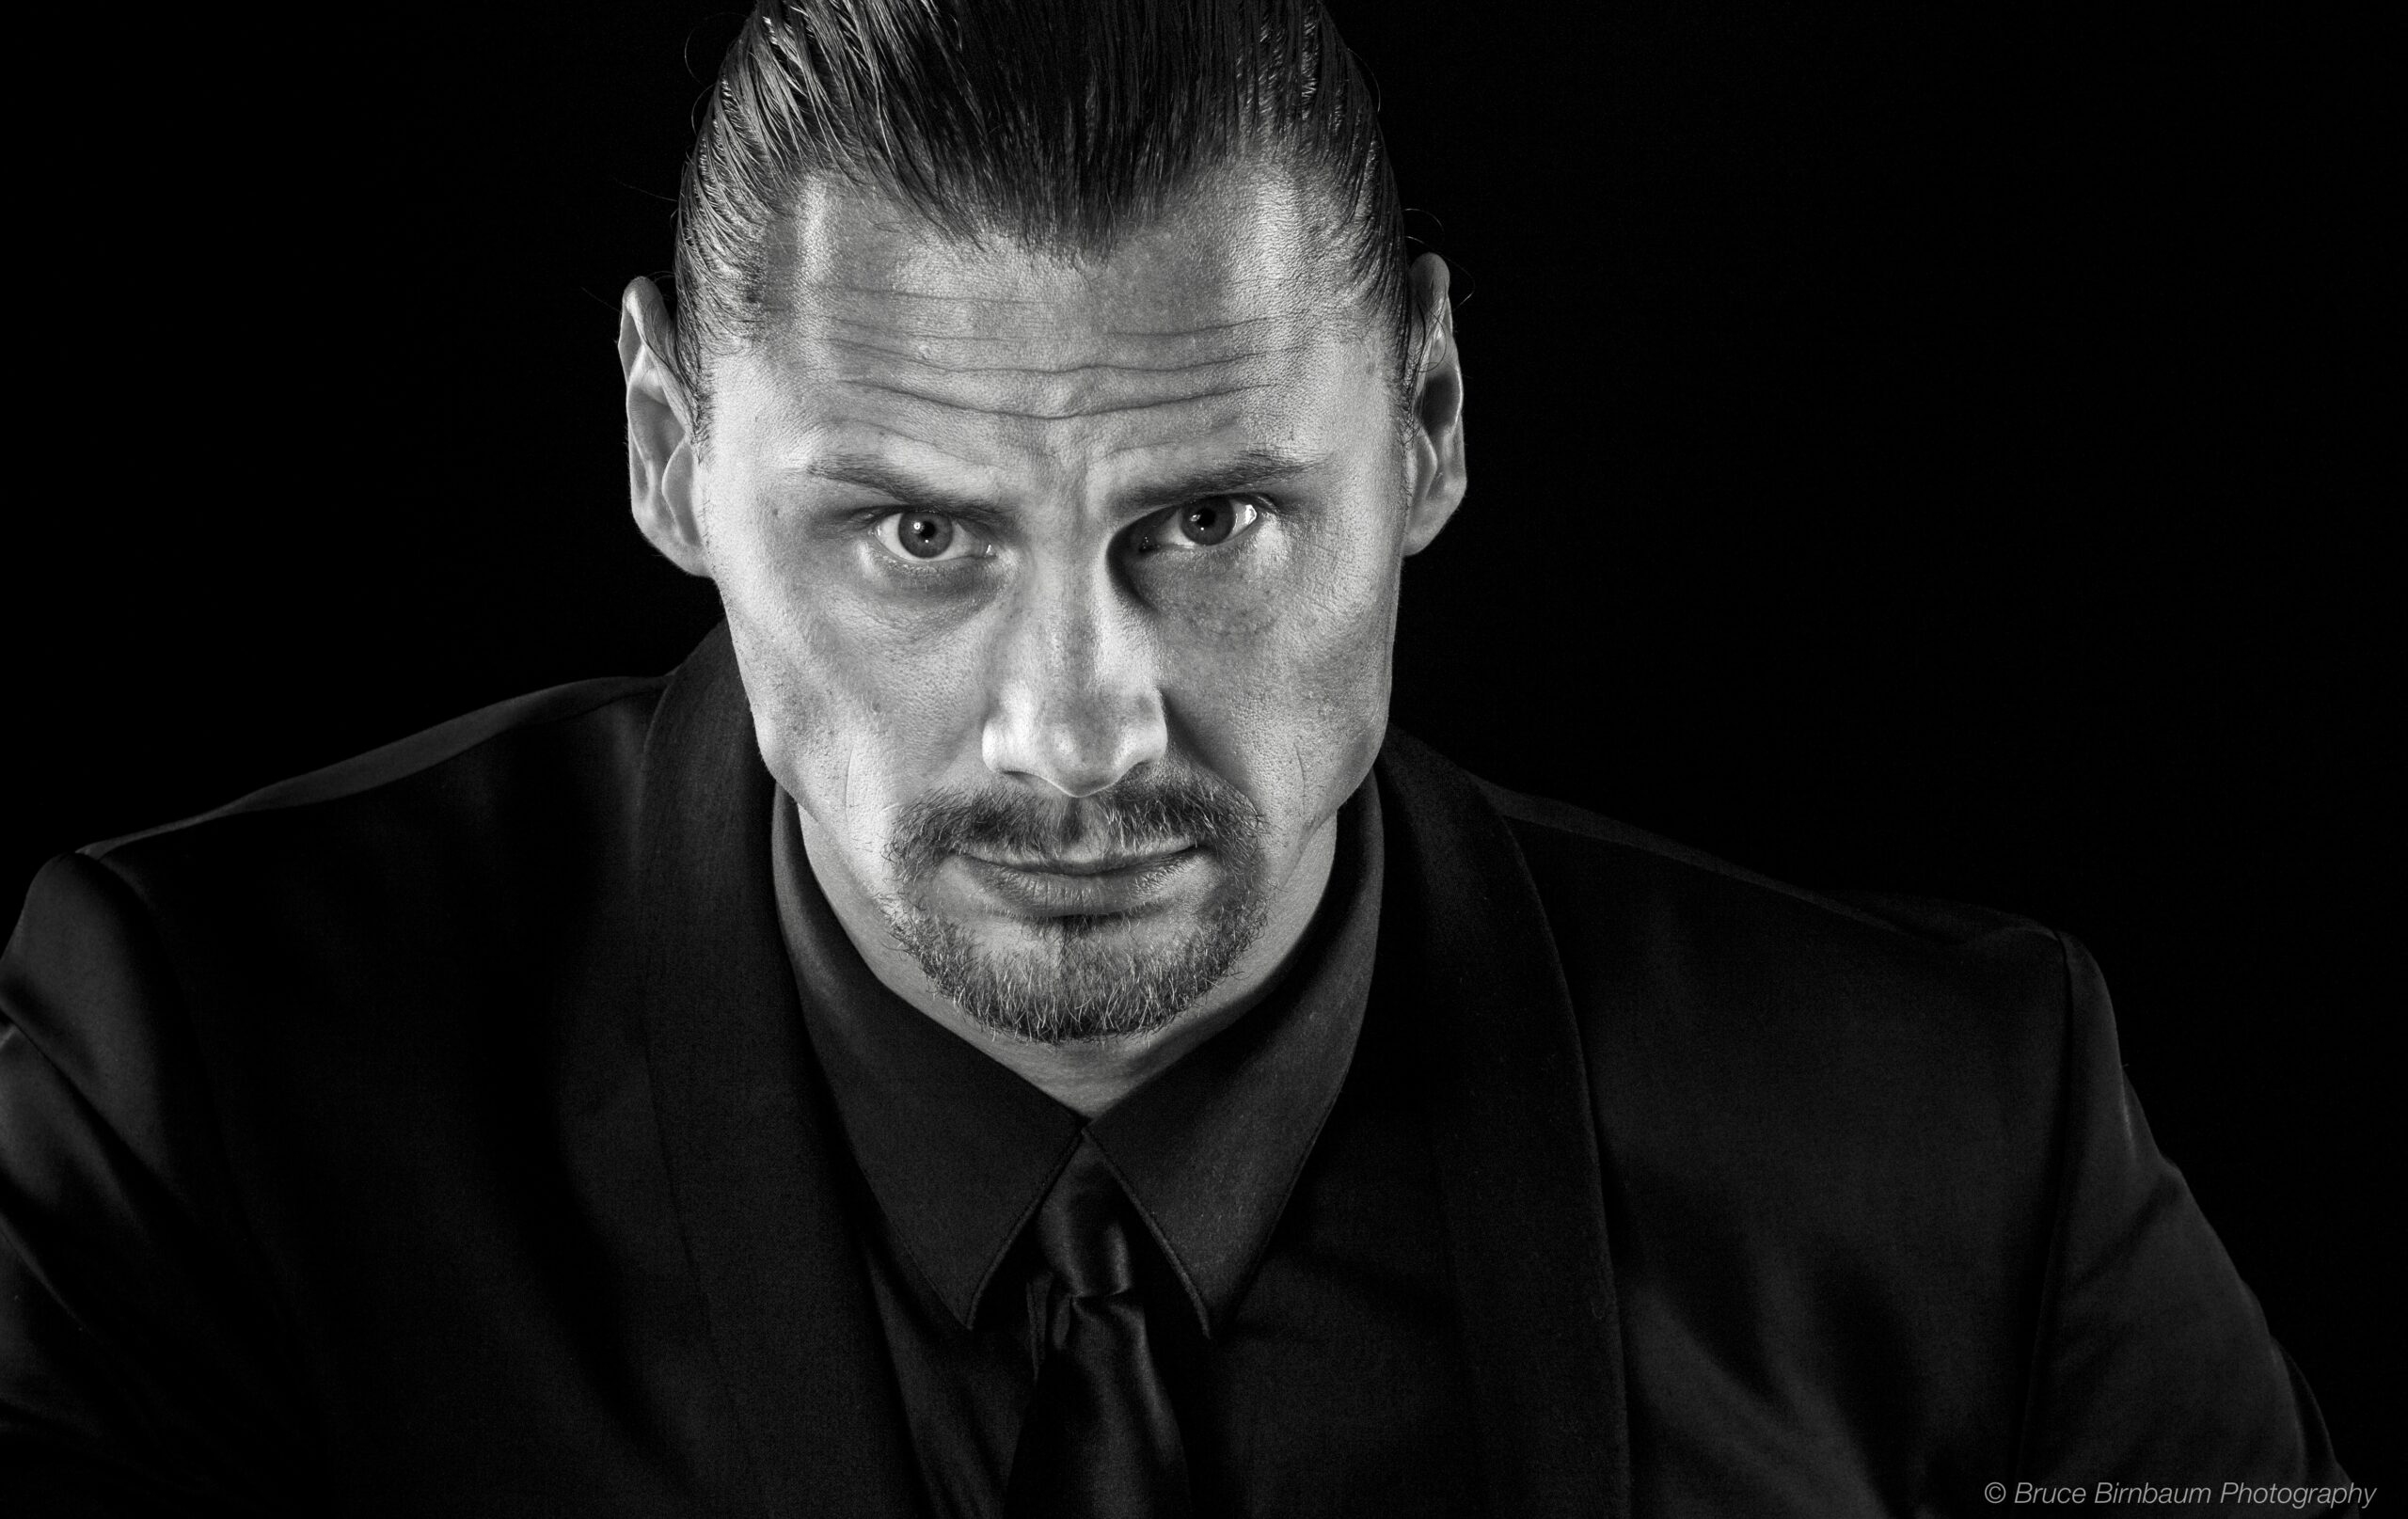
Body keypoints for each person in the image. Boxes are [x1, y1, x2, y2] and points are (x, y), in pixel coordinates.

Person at [0, 1, 2360, 1514]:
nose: (1075, 723)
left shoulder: (1963, 1142)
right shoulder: (197, 1086)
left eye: (1210, 522)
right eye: (916, 533)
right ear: (663, 451)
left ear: (1424, 416)